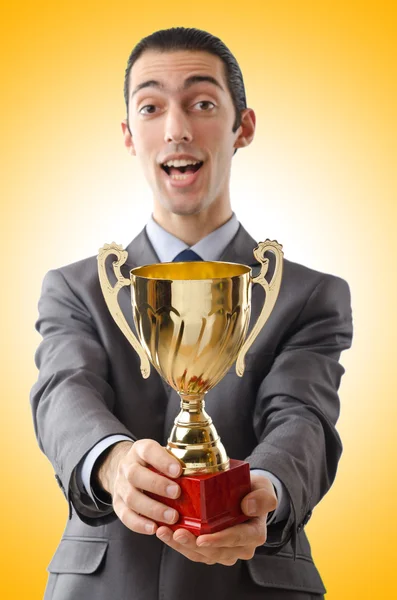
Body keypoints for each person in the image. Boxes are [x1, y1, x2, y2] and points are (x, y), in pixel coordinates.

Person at [30, 27, 353, 600]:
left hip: (254, 584)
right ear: (129, 136)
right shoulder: (75, 290)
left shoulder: (309, 296)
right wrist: (113, 464)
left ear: (242, 127)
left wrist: (264, 492)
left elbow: (302, 418)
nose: (176, 128)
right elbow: (64, 393)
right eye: (151, 107)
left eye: (202, 103)